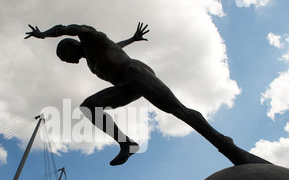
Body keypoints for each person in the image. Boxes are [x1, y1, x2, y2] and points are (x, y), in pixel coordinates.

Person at [25, 23, 270, 166]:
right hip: (125, 85)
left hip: (136, 74)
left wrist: (43, 35)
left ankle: (231, 149)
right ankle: (127, 144)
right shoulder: (90, 59)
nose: (64, 62)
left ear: (70, 46)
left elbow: (67, 27)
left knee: (179, 111)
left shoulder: (90, 37)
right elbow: (117, 48)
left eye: (62, 56)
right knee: (90, 106)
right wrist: (132, 39)